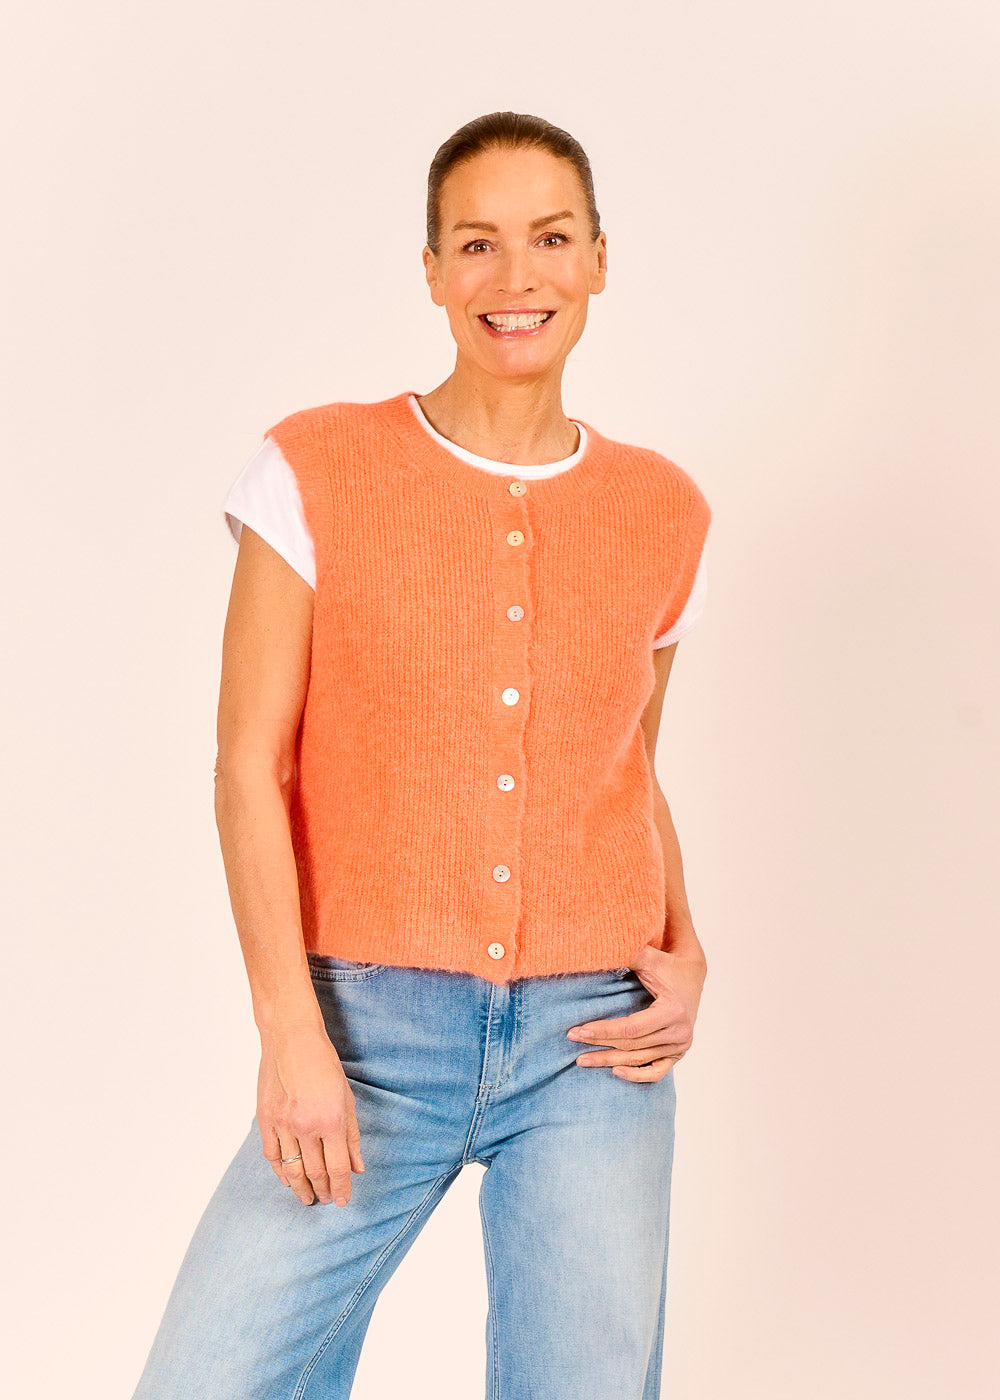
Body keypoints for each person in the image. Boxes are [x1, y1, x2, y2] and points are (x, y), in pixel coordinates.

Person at [130, 110, 713, 1400]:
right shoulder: (316, 466)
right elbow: (248, 768)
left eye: (550, 239)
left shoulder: (663, 509)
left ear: (599, 259)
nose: (518, 276)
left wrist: (688, 947)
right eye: (478, 242)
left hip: (593, 1037)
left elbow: (628, 765)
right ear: (435, 271)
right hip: (367, 1030)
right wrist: (292, 1034)